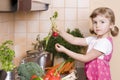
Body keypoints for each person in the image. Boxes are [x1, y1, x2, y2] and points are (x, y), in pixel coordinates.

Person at [54, 7, 119, 80]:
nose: (97, 25)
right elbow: (74, 40)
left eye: (102, 22)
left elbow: (85, 58)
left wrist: (65, 50)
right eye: (95, 22)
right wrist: (61, 32)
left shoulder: (104, 43)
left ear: (111, 25)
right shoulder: (94, 39)